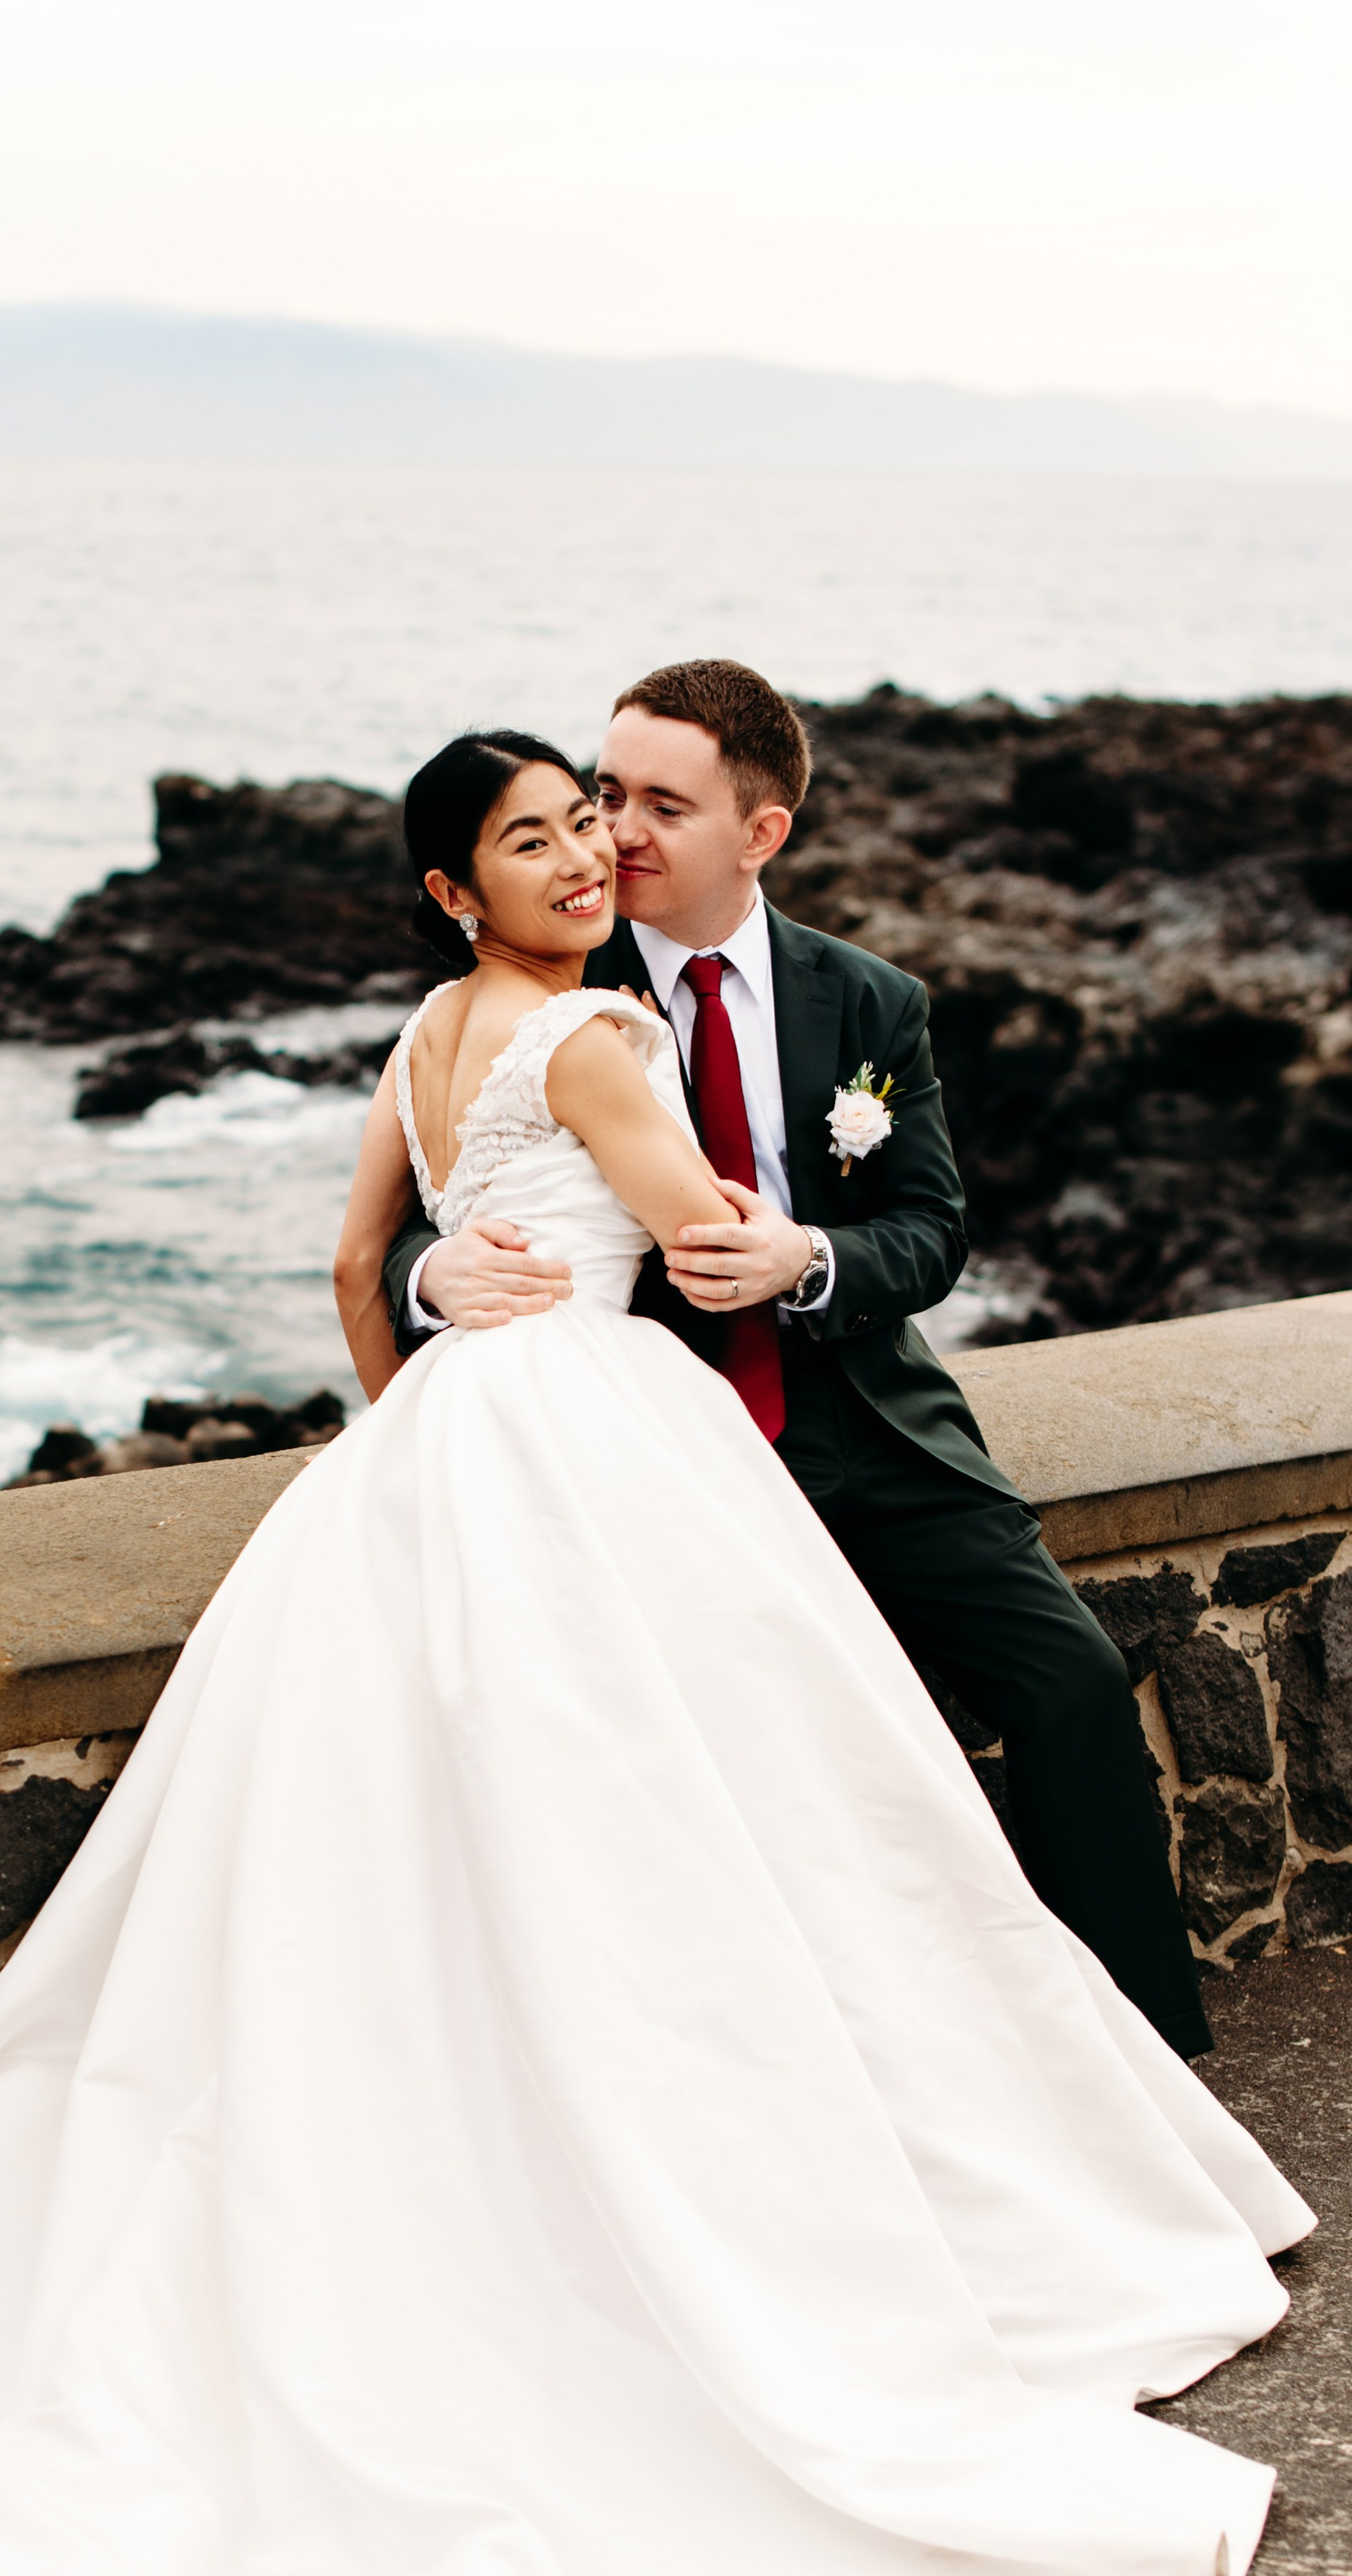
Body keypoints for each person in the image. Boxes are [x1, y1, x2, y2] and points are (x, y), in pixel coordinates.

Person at [0, 730, 1309, 2576]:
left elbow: (359, 1276)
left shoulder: (427, 1034)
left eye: (587, 823)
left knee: (425, 1853)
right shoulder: (601, 1035)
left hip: (427, 1452)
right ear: (452, 886)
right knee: (696, 1839)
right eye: (535, 838)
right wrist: (716, 1239)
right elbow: (699, 1238)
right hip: (600, 1450)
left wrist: (433, 1315)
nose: (583, 856)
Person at [381, 661, 1213, 2061]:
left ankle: (1146, 2055)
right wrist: (432, 1273)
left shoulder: (869, 1001)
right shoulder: (560, 973)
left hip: (866, 1413)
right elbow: (440, 1174)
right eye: (603, 795)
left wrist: (808, 1259)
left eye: (660, 806)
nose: (612, 836)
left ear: (759, 833)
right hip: (654, 1442)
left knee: (1069, 1679)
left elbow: (931, 1231)